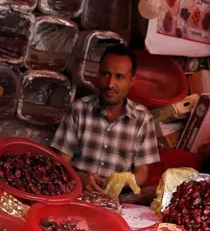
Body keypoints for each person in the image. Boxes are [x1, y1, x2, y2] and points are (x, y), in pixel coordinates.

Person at [51, 44, 160, 191]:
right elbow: (61, 161)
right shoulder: (78, 109)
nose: (110, 84)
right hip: (77, 191)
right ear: (98, 74)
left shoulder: (143, 119)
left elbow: (142, 173)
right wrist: (79, 178)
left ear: (131, 81)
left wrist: (118, 184)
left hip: (117, 198)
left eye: (119, 77)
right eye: (105, 74)